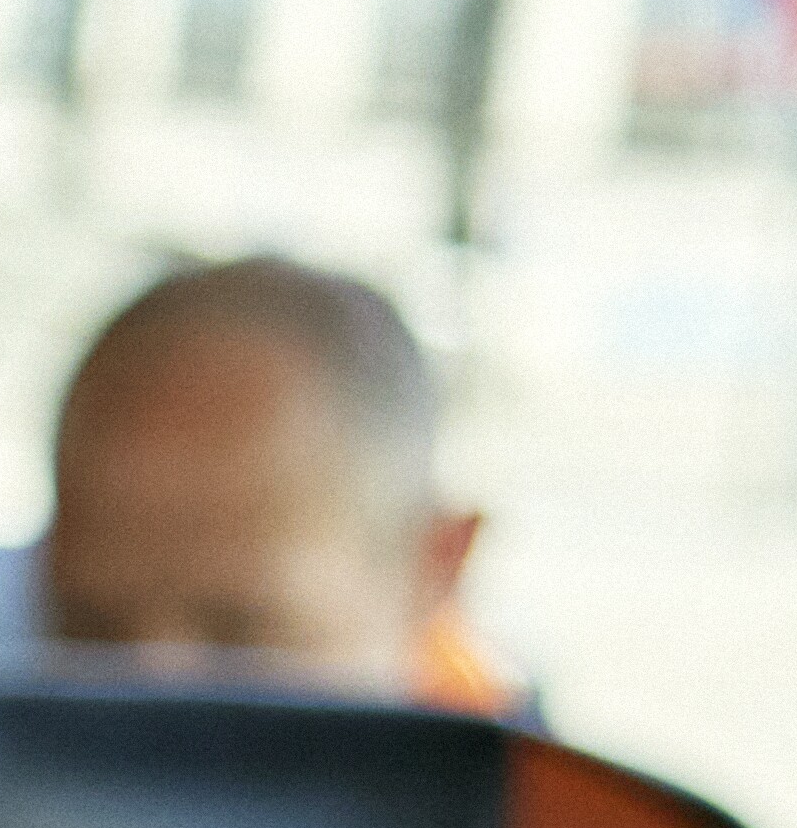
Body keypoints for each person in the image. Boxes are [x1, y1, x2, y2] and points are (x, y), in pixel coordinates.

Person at [34, 250, 493, 689]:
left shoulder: (530, 768)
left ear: (433, 567)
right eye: (89, 632)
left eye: (239, 640)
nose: (147, 705)